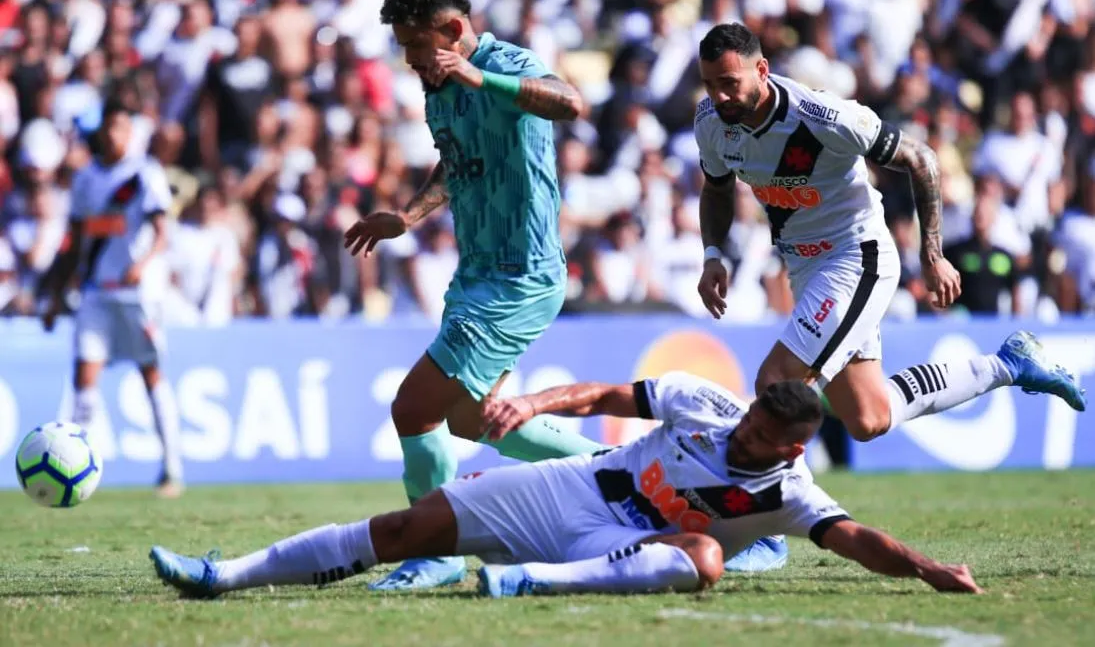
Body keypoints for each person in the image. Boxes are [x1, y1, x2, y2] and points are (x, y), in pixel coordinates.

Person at [149, 373, 982, 599]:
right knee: (402, 531)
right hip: (571, 489)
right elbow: (598, 396)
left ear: (796, 445)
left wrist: (924, 566)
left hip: (614, 544)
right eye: (751, 423)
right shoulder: (705, 403)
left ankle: (524, 584)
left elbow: (857, 540)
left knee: (704, 559)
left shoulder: (793, 492)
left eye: (765, 437)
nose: (747, 437)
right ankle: (224, 575)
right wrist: (531, 403)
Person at [337, 0, 609, 590]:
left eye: (415, 44)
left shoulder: (506, 63)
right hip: (477, 275)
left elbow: (571, 102)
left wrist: (481, 76)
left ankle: (435, 550)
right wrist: (406, 216)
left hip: (521, 276)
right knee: (476, 420)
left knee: (414, 407)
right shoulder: (440, 89)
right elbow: (459, 163)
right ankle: (618, 471)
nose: (408, 60)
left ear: (454, 30)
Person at [692, 23, 1085, 441]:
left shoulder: (823, 117)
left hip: (856, 258)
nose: (719, 96)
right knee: (869, 417)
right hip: (805, 267)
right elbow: (717, 189)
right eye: (711, 84)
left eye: (730, 83)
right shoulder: (711, 123)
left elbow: (921, 159)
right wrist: (713, 254)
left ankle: (778, 502)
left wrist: (931, 254)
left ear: (763, 70)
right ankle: (1009, 364)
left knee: (776, 383)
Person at [42, 100, 184, 498]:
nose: (114, 135)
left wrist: (144, 262)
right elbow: (73, 243)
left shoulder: (145, 173)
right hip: (95, 293)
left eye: (122, 128)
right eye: (109, 128)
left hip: (137, 293)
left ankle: (171, 468)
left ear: (131, 132)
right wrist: (54, 296)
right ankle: (74, 471)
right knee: (84, 378)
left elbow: (162, 232)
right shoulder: (86, 177)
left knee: (150, 373)